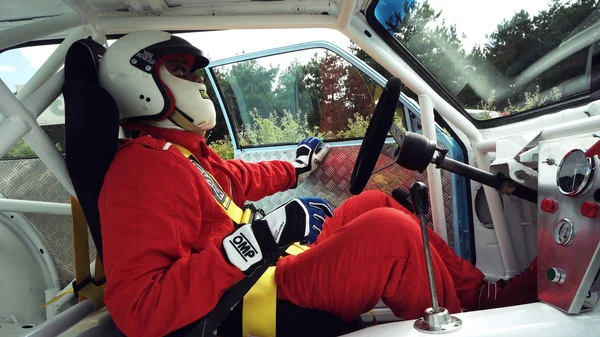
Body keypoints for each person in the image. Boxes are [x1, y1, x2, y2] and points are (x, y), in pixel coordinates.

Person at [97, 30, 538, 337]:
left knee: (373, 207)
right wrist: (251, 243)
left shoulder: (185, 155)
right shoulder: (141, 171)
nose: (197, 83)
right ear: (144, 82)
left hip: (266, 270)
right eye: (182, 71)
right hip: (251, 296)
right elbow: (140, 310)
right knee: (393, 237)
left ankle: (482, 295)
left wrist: (297, 168)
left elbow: (242, 178)